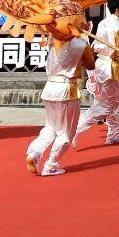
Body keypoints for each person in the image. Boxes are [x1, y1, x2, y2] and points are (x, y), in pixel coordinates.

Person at [25, 33, 96, 176]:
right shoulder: (81, 44)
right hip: (67, 90)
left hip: (50, 87)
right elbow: (91, 64)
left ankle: (35, 152)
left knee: (50, 127)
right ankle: (51, 165)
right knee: (66, 132)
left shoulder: (52, 39)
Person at [75, 0, 119, 145]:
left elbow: (99, 47)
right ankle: (75, 129)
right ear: (118, 9)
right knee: (106, 106)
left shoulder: (103, 23)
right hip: (109, 68)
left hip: (101, 65)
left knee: (113, 101)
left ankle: (113, 134)